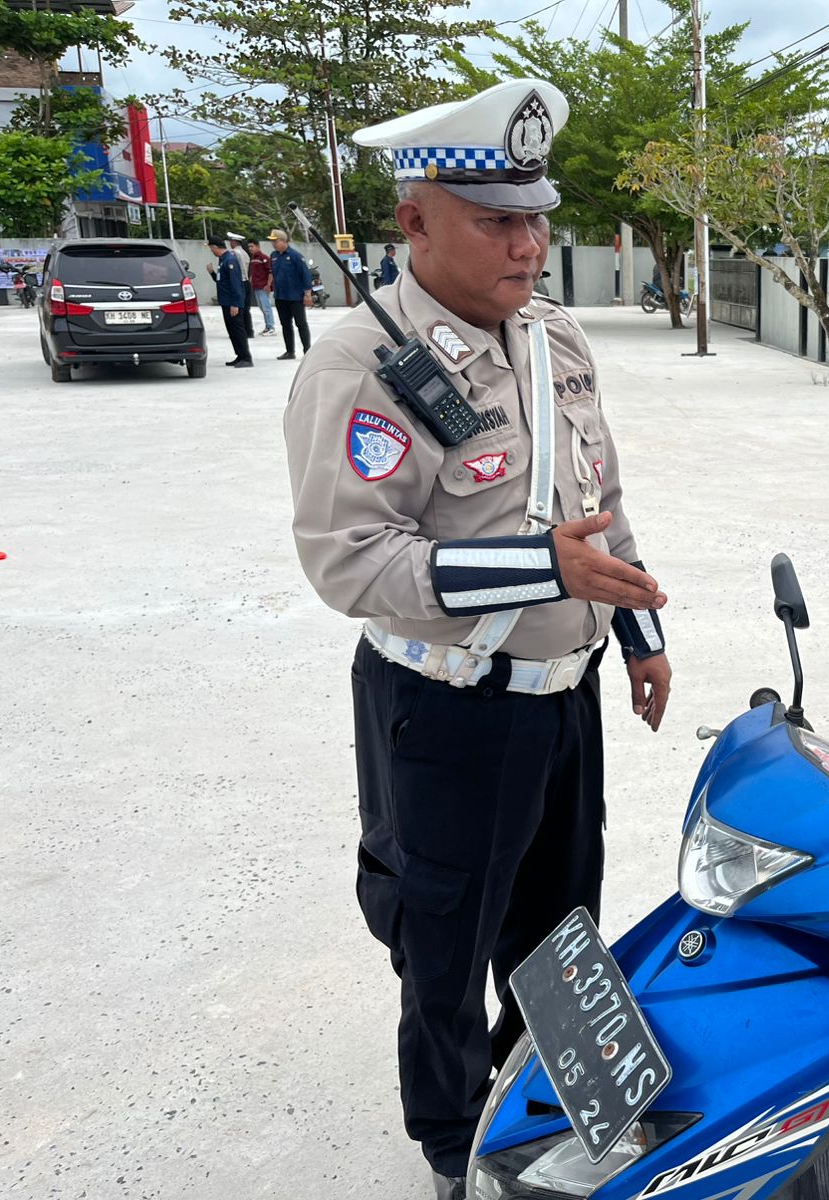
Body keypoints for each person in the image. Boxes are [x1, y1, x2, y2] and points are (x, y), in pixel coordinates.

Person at [282, 78, 673, 1200]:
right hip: (446, 708)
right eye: (495, 218)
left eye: (536, 214)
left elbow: (598, 492)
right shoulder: (361, 362)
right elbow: (349, 559)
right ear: (413, 221)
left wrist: (637, 629)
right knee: (446, 938)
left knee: (563, 921)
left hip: (566, 692)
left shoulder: (554, 334)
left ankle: (545, 1096)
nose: (529, 242)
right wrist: (541, 568)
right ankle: (453, 1143)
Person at [207, 235, 251, 367]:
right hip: (225, 301)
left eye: (211, 248)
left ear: (215, 247)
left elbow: (236, 284)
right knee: (232, 331)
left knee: (238, 330)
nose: (211, 251)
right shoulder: (223, 260)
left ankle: (246, 357)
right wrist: (212, 273)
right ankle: (240, 355)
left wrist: (235, 304)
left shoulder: (230, 260)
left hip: (232, 303)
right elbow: (221, 281)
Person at [269, 228, 312, 360]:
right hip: (281, 296)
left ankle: (307, 351)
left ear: (283, 241)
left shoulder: (295, 256)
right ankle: (290, 351)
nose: (273, 244)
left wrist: (307, 294)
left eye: (275, 241)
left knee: (301, 324)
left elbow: (305, 275)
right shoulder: (274, 256)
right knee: (285, 325)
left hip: (295, 296)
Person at [228, 232, 254, 339]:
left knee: (239, 308)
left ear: (234, 242)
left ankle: (241, 331)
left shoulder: (234, 253)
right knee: (246, 309)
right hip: (246, 282)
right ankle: (249, 331)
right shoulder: (245, 253)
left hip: (240, 281)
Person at [247, 238, 276, 335]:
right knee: (262, 308)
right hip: (256, 287)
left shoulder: (264, 258)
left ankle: (271, 327)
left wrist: (268, 285)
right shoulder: (254, 258)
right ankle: (267, 326)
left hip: (263, 287)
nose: (250, 248)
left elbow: (270, 272)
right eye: (249, 247)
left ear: (257, 246)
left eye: (252, 246)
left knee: (266, 307)